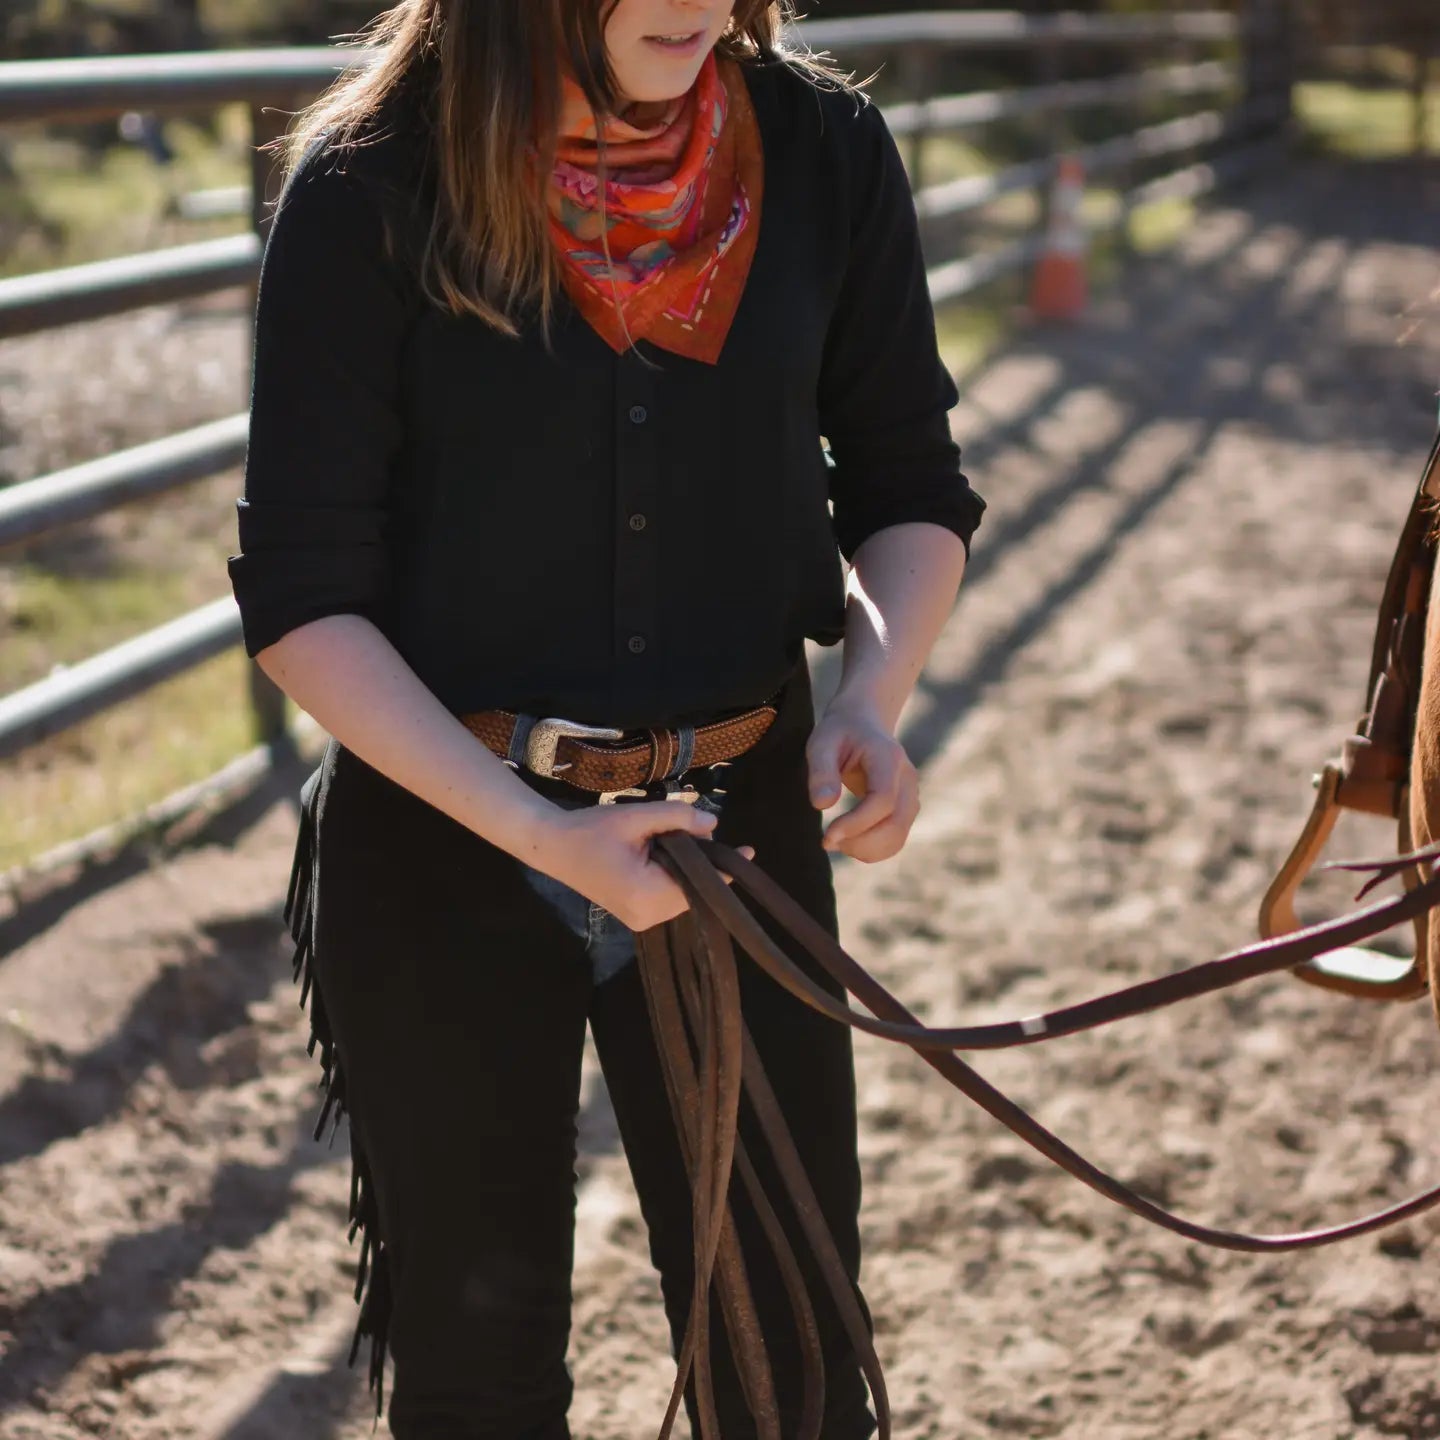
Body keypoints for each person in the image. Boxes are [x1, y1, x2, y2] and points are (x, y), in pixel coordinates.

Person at [226, 1, 984, 1436]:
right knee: (476, 1388)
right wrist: (538, 832)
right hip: (445, 837)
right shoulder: (368, 181)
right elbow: (304, 602)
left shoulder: (825, 150)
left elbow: (910, 486)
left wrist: (874, 701)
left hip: (735, 840)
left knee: (792, 1370)